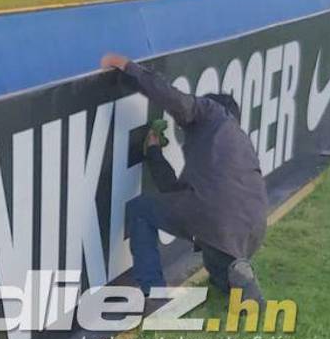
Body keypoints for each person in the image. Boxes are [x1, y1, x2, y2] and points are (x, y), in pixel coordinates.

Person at [101, 53, 268, 305]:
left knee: (140, 209)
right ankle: (239, 277)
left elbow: (173, 98)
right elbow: (178, 197)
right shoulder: (237, 145)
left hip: (215, 219)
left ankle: (154, 294)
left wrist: (127, 66)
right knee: (220, 273)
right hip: (252, 229)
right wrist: (155, 154)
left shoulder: (213, 112)